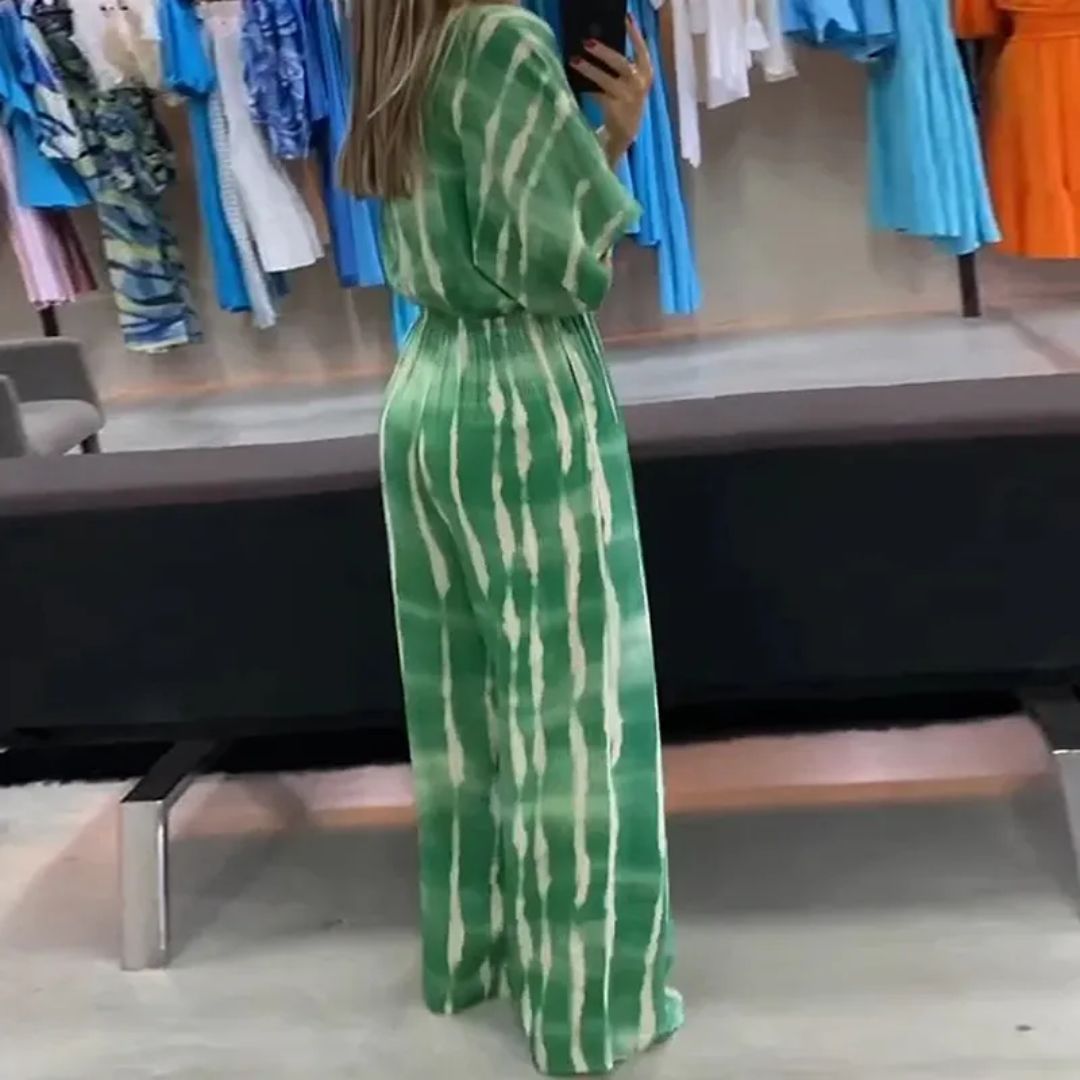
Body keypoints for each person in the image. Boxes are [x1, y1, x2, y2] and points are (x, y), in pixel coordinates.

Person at [340, 2, 683, 1073]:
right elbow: (564, 261)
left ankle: (476, 955)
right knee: (576, 706)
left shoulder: (392, 37)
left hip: (426, 385)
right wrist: (617, 137)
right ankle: (590, 1009)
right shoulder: (502, 38)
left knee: (463, 702)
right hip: (525, 395)